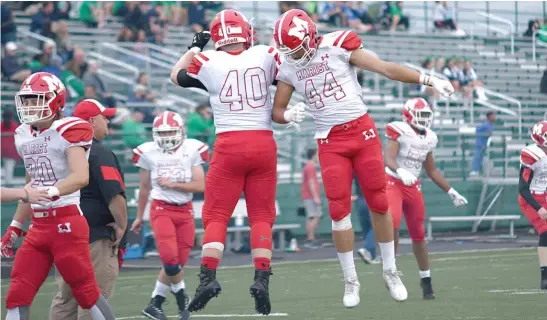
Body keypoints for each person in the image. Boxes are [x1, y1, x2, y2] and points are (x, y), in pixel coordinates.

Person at [271, 9, 454, 307]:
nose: (292, 55)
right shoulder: (289, 66)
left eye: (296, 48)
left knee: (379, 203)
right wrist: (288, 114)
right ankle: (350, 279)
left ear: (310, 36)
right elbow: (277, 111)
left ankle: (391, 271)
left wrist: (428, 79)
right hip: (330, 140)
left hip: (362, 132)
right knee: (338, 211)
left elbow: (385, 69)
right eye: (287, 51)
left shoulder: (338, 45)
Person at [170, 9, 304, 315]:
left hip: (229, 143)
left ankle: (208, 278)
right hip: (262, 143)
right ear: (246, 31)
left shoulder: (210, 61)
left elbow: (175, 76)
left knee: (217, 215)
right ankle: (261, 279)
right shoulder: (265, 54)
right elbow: (289, 75)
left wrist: (194, 46)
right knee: (261, 216)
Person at [0, 72, 116, 320]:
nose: (31, 106)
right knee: (17, 293)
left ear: (56, 100)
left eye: (37, 99)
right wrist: (16, 226)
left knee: (86, 292)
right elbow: (31, 186)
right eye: (27, 100)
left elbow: (80, 176)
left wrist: (53, 191)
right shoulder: (23, 134)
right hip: (39, 227)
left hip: (67, 222)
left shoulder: (70, 129)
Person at [50, 99, 128, 320]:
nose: (108, 123)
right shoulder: (98, 152)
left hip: (64, 234)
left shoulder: (59, 148)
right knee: (93, 301)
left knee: (64, 301)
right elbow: (114, 194)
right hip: (94, 236)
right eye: (105, 118)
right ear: (92, 121)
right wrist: (122, 227)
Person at [384, 98, 468, 299]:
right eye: (420, 114)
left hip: (413, 185)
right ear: (408, 114)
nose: (423, 119)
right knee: (392, 223)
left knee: (418, 234)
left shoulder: (430, 137)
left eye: (426, 115)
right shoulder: (399, 130)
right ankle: (391, 270)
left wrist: (451, 191)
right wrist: (400, 171)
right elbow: (387, 158)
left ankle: (426, 279)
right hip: (394, 181)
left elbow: (431, 170)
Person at [130, 111, 208, 320]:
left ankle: (155, 303)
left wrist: (173, 184)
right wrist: (139, 216)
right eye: (162, 133)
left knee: (178, 263)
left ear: (181, 131)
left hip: (185, 211)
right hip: (161, 209)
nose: (166, 136)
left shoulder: (191, 149)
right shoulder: (148, 152)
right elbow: (144, 188)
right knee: (170, 260)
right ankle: (183, 297)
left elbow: (200, 185)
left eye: (171, 131)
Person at [518, 120, 547, 290]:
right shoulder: (533, 155)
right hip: (531, 198)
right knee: (545, 230)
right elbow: (522, 188)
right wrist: (539, 207)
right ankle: (545, 277)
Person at [353, 176, 379, 265]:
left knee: (366, 229)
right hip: (371, 198)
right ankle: (367, 249)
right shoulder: (373, 164)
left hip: (360, 199)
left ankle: (372, 256)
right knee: (376, 226)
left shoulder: (355, 165)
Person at [301, 148, 322, 248]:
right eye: (317, 155)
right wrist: (315, 197)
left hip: (309, 196)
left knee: (312, 217)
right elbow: (311, 182)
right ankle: (310, 239)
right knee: (315, 216)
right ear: (313, 155)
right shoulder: (310, 167)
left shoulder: (309, 166)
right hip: (310, 197)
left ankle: (310, 238)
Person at [470, 111, 496, 177]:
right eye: (493, 116)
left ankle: (479, 171)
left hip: (484, 145)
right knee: (477, 157)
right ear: (489, 117)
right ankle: (474, 171)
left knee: (482, 159)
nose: (495, 117)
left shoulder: (491, 125)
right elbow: (477, 131)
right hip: (480, 145)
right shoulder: (485, 125)